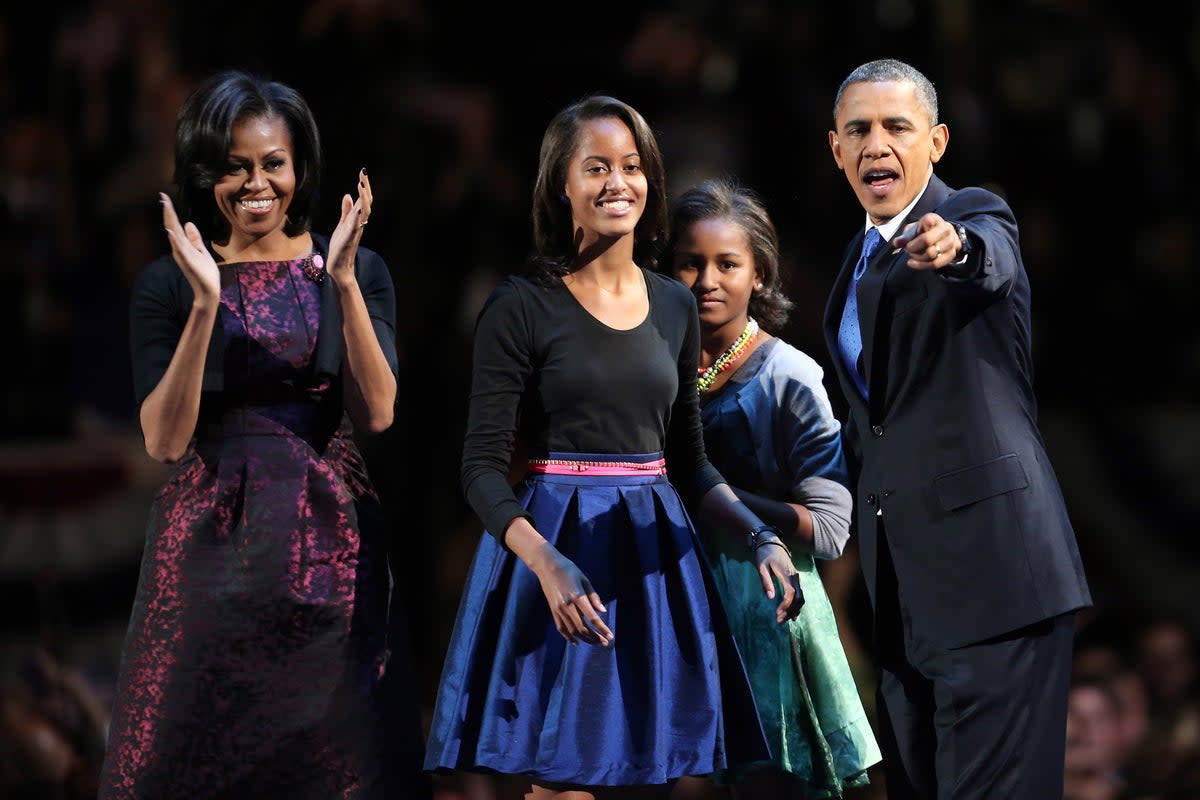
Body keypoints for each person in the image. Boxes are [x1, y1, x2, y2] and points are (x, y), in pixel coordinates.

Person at [423, 95, 802, 800]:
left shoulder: (675, 305)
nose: (616, 182)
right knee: (564, 784)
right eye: (596, 167)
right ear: (561, 186)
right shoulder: (521, 305)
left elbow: (687, 461)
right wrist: (545, 562)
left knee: (651, 780)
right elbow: (478, 468)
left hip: (653, 557)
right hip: (560, 551)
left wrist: (759, 537)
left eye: (631, 166)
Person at [97, 70, 427, 798]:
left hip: (330, 550)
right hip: (208, 553)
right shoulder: (170, 283)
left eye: (272, 163)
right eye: (235, 166)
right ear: (203, 171)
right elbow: (163, 440)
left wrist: (340, 282)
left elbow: (377, 414)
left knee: (341, 761)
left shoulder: (357, 269)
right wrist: (206, 305)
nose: (256, 183)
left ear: (299, 165)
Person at [821, 58, 1092, 798]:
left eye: (896, 127)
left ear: (935, 141)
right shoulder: (852, 263)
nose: (877, 144)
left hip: (994, 584)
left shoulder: (973, 213)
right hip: (907, 603)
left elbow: (988, 258)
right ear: (836, 150)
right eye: (859, 130)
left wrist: (957, 249)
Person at [665, 178, 881, 799]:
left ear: (759, 275)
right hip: (678, 607)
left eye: (727, 263)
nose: (707, 279)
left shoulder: (790, 377)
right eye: (690, 262)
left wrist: (714, 499)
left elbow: (834, 530)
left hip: (767, 617)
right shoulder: (656, 371)